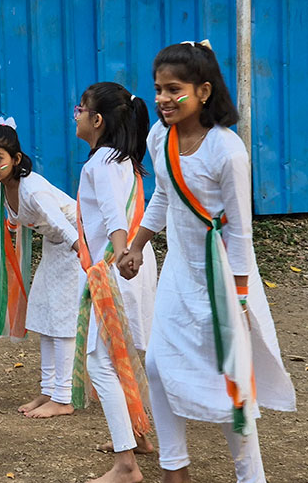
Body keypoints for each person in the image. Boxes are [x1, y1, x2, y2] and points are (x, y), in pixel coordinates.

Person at [119, 41, 296, 483]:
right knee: (158, 365)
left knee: (231, 382)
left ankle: (251, 477)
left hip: (223, 279)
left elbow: (241, 231)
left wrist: (240, 295)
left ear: (203, 91)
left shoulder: (227, 150)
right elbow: (163, 196)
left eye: (173, 89)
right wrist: (137, 245)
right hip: (179, 273)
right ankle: (174, 468)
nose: (162, 99)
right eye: (158, 89)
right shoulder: (159, 137)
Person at [72, 82, 157, 483]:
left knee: (100, 362)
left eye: (80, 108)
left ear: (97, 120)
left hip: (116, 268)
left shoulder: (102, 162)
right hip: (130, 265)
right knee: (126, 353)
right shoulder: (123, 160)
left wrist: (121, 254)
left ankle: (126, 465)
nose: (75, 114)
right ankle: (138, 437)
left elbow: (112, 215)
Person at [0, 116, 81, 418]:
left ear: (16, 159)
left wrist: (85, 255)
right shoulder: (4, 187)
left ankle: (63, 397)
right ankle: (49, 390)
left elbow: (62, 223)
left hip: (77, 243)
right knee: (44, 314)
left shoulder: (32, 189)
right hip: (56, 245)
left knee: (62, 319)